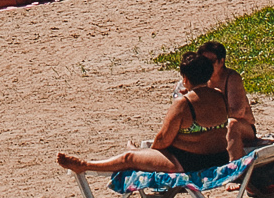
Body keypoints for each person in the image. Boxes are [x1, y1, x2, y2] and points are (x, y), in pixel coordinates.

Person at [57, 49, 232, 179]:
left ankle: (85, 165)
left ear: (185, 78)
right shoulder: (219, 95)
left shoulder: (184, 104)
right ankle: (138, 152)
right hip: (219, 157)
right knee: (140, 153)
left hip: (188, 163)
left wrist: (148, 157)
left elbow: (162, 140)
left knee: (129, 158)